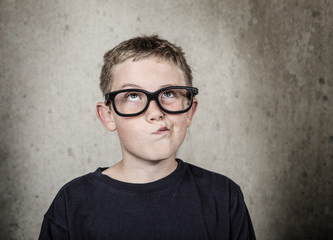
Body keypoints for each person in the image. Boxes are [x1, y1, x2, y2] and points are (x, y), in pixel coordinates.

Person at [38, 35, 256, 240]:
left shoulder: (223, 197)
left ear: (189, 111)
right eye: (133, 95)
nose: (155, 113)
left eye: (169, 94)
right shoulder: (72, 203)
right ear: (108, 116)